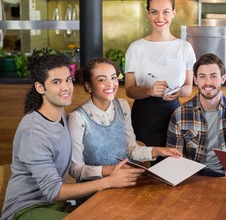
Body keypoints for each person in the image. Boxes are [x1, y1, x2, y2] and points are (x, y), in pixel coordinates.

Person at [1, 54, 145, 220]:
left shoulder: (60, 114)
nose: (66, 87)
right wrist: (108, 181)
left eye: (68, 80)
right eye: (56, 82)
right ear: (40, 88)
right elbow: (54, 191)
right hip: (26, 210)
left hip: (56, 206)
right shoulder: (33, 131)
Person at [67, 58, 182, 182]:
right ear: (88, 86)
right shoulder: (77, 118)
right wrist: (111, 170)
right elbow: (76, 169)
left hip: (127, 182)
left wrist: (159, 151)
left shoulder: (122, 106)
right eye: (101, 79)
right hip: (96, 187)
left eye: (113, 77)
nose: (110, 84)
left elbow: (131, 149)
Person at [124, 0, 196, 152]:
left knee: (172, 162)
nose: (160, 17)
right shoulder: (136, 48)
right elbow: (129, 90)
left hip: (174, 115)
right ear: (148, 13)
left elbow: (188, 87)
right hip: (144, 116)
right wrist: (149, 91)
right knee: (144, 164)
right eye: (154, 12)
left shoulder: (184, 47)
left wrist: (179, 92)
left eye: (165, 11)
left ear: (173, 13)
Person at [166, 53, 226, 177]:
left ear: (223, 79)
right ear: (196, 80)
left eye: (214, 76)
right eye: (202, 77)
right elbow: (174, 157)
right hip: (193, 177)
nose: (208, 82)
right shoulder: (180, 115)